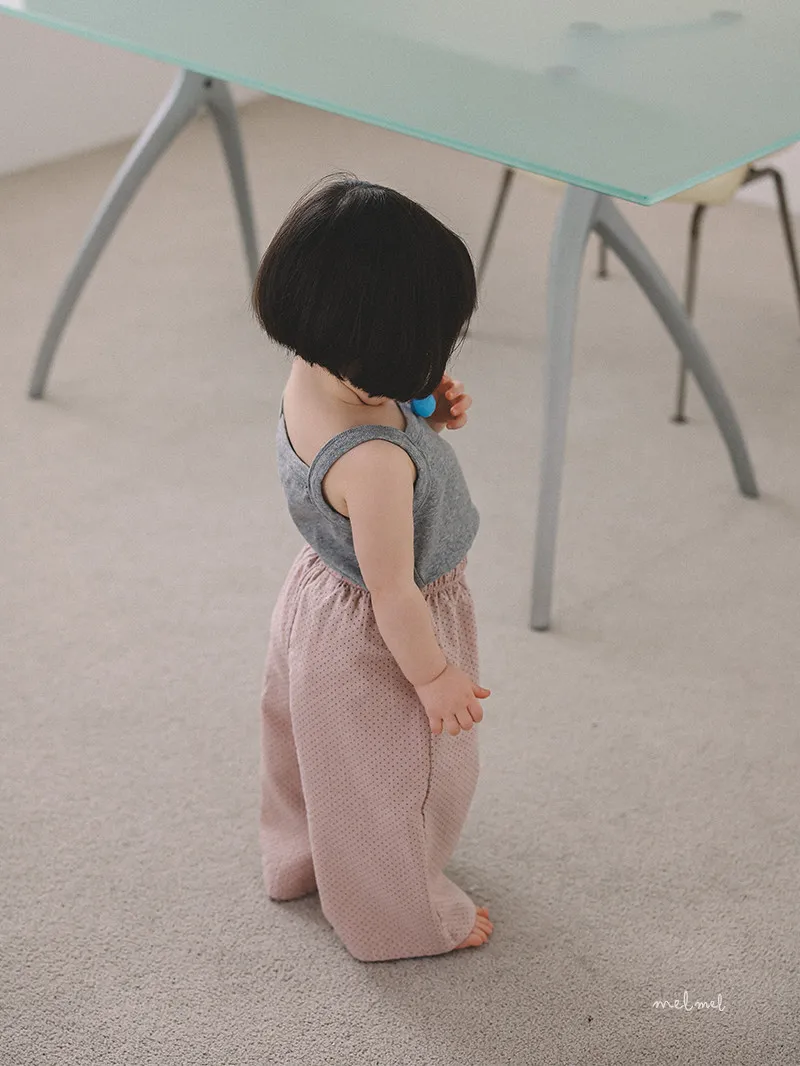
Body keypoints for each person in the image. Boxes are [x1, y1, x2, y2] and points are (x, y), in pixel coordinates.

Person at [253, 175, 493, 962]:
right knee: (395, 783)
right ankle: (403, 922)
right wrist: (433, 676)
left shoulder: (315, 368)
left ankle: (299, 860)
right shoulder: (376, 463)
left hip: (317, 600)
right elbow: (393, 589)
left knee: (314, 751)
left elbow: (372, 419)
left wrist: (423, 404)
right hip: (381, 639)